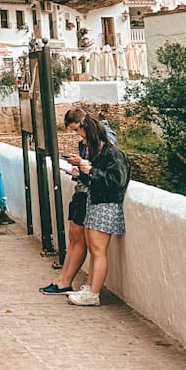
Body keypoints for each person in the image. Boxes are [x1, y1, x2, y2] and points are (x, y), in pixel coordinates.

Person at [40, 109, 119, 296]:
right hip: (82, 189)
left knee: (90, 244)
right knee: (75, 236)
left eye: (77, 129)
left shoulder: (103, 138)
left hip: (92, 193)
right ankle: (63, 279)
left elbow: (106, 162)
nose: (78, 134)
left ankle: (77, 285)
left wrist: (83, 165)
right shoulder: (86, 141)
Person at [67, 115, 130, 306]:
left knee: (98, 249)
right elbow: (95, 180)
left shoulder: (113, 154)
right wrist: (82, 173)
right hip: (95, 202)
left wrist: (90, 170)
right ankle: (90, 287)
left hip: (106, 205)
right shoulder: (100, 153)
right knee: (95, 249)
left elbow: (116, 181)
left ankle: (94, 292)